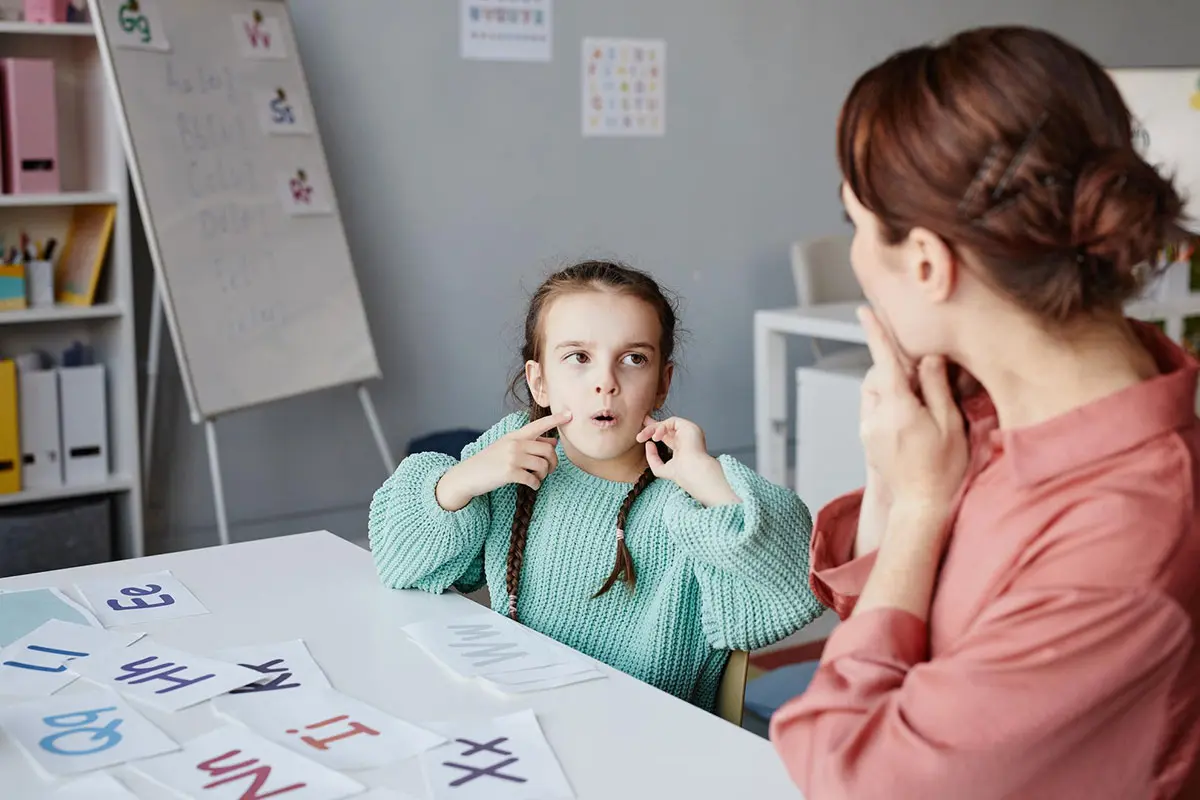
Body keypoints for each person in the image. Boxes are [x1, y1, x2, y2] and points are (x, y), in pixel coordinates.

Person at [769, 25, 1200, 799]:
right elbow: (888, 624)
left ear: (929, 264)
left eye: (855, 226)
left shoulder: (1121, 537)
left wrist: (917, 511)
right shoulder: (990, 407)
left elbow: (850, 768)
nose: (858, 256)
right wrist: (894, 476)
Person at [369, 260, 824, 711]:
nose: (605, 382)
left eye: (633, 359)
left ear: (662, 384)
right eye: (578, 358)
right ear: (540, 382)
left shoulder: (688, 498)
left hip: (643, 747)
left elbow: (797, 587)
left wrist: (711, 482)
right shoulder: (517, 454)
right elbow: (399, 565)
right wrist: (462, 480)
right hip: (522, 722)